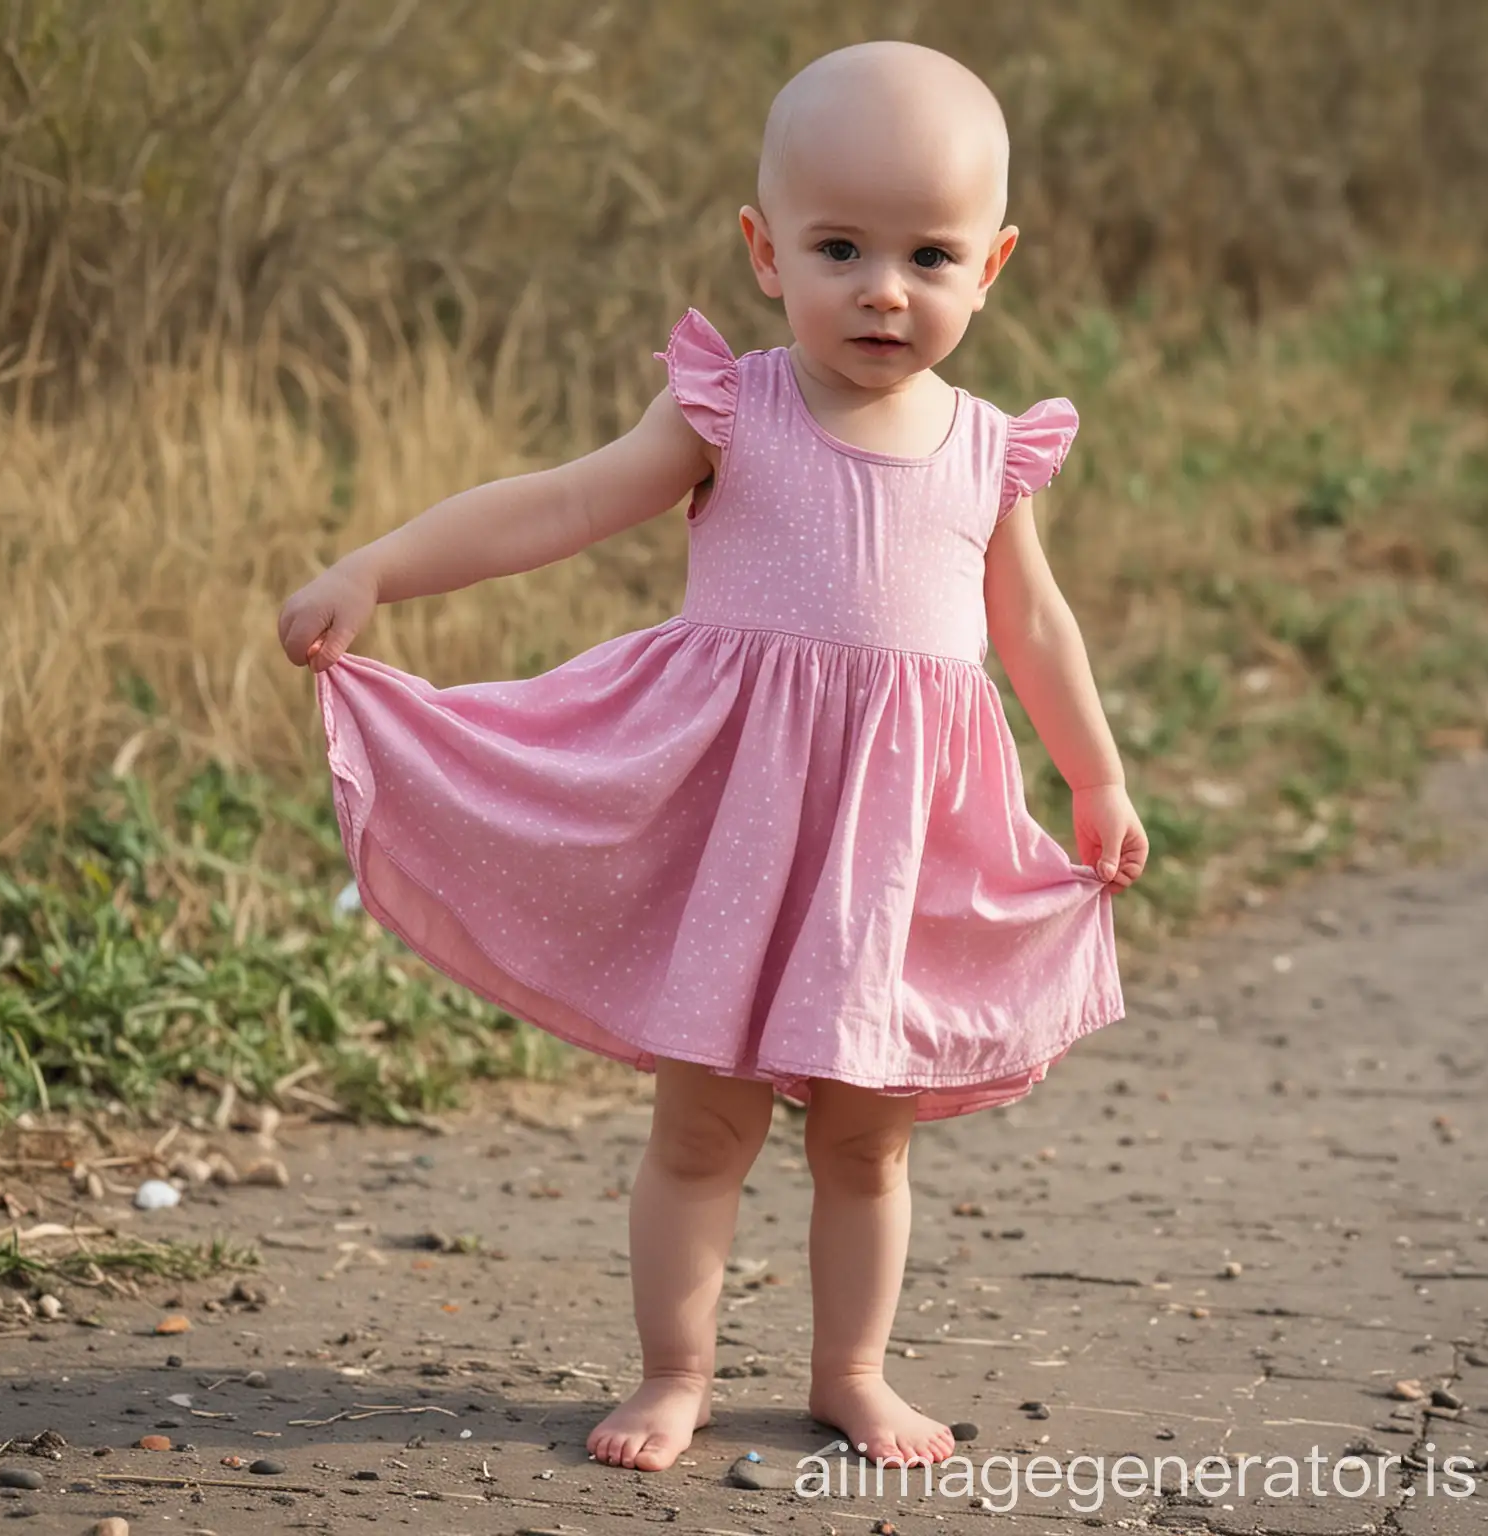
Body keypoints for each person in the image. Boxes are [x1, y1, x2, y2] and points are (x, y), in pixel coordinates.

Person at [278, 38, 1148, 1475]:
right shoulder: (732, 409)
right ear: (764, 251)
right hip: (739, 822)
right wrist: (379, 570)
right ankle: (675, 1372)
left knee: (871, 1137)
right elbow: (556, 505)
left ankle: (849, 1371)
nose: (885, 287)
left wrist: (1097, 775)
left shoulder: (989, 451)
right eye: (841, 246)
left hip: (895, 848)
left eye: (930, 255)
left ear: (990, 267)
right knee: (704, 1127)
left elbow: (1036, 628)